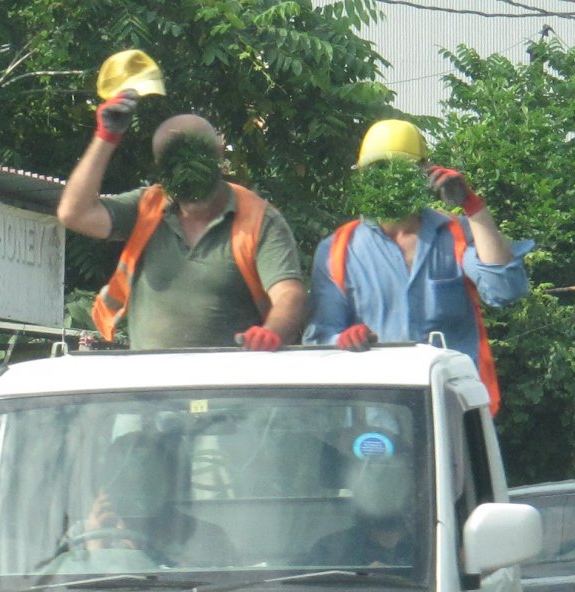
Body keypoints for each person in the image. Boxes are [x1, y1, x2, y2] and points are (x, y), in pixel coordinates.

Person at [304, 119, 533, 413]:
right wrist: (343, 340)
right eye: (377, 172)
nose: (389, 181)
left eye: (400, 170)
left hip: (455, 413)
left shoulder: (456, 234)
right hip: (372, 413)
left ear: (425, 174)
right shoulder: (338, 249)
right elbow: (321, 336)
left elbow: (505, 290)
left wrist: (473, 206)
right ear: (362, 178)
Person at [57, 92, 306, 351]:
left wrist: (270, 334)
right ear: (159, 166)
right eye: (173, 159)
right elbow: (75, 214)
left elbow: (288, 294)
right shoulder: (146, 207)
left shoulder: (258, 219)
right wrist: (106, 137)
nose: (186, 167)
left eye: (197, 154)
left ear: (219, 154)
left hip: (231, 384)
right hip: (155, 384)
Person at [76, 431, 237, 568]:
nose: (137, 489)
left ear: (171, 482)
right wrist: (96, 547)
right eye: (125, 481)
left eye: (148, 478)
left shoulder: (204, 537)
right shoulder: (79, 537)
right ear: (108, 484)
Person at [305, 434, 422, 568]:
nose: (381, 492)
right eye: (371, 483)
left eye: (389, 482)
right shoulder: (330, 550)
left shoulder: (436, 546)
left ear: (411, 490)